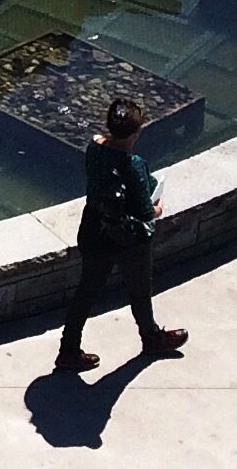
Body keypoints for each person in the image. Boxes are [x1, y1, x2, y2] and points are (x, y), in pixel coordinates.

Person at [54, 96, 190, 373]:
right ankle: (151, 338)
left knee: (87, 292)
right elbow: (144, 211)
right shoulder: (134, 165)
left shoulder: (94, 149)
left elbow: (98, 142)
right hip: (129, 238)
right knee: (139, 291)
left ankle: (68, 350)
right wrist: (158, 209)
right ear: (137, 133)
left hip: (95, 230)